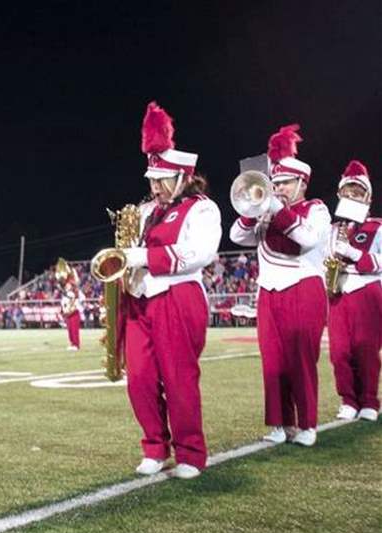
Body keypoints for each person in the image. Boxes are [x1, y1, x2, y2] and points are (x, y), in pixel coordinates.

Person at [117, 102, 221, 479]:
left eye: (161, 180)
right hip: (141, 299)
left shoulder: (202, 209)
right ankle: (155, 447)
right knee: (140, 378)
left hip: (178, 297)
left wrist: (142, 255)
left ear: (182, 178)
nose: (154, 187)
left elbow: (199, 254)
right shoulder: (145, 211)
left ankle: (191, 453)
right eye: (152, 179)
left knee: (179, 378)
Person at [230, 124, 330, 446]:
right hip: (269, 291)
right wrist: (252, 211)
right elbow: (236, 236)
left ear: (301, 182)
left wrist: (277, 210)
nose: (278, 189)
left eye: (285, 183)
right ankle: (279, 423)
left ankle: (308, 424)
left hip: (303, 287)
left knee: (300, 359)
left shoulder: (315, 209)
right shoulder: (268, 213)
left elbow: (306, 240)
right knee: (272, 360)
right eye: (274, 183)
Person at [327, 160, 380, 422]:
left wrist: (352, 252)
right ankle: (348, 399)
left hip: (367, 289)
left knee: (366, 350)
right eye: (347, 193)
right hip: (339, 292)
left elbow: (378, 262)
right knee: (338, 352)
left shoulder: (378, 226)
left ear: (368, 198)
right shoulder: (333, 229)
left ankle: (369, 399)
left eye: (357, 193)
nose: (351, 197)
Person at [61, 279, 84, 351]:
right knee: (70, 330)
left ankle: (76, 345)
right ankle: (72, 343)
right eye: (66, 285)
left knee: (74, 329)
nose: (66, 286)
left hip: (75, 312)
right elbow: (64, 303)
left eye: (68, 285)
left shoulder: (76, 292)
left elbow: (83, 298)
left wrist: (76, 298)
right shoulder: (66, 294)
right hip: (68, 313)